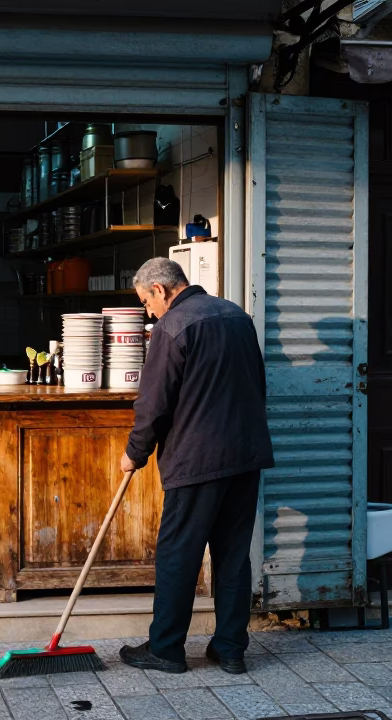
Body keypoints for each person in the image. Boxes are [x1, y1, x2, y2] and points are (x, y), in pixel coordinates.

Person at [117, 257, 274, 675]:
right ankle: (230, 649)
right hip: (245, 455)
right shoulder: (237, 316)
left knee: (178, 555)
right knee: (233, 554)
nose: (148, 312)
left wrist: (135, 451)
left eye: (146, 302)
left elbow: (153, 404)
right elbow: (258, 383)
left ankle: (166, 649)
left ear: (160, 289)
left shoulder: (171, 327)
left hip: (197, 459)